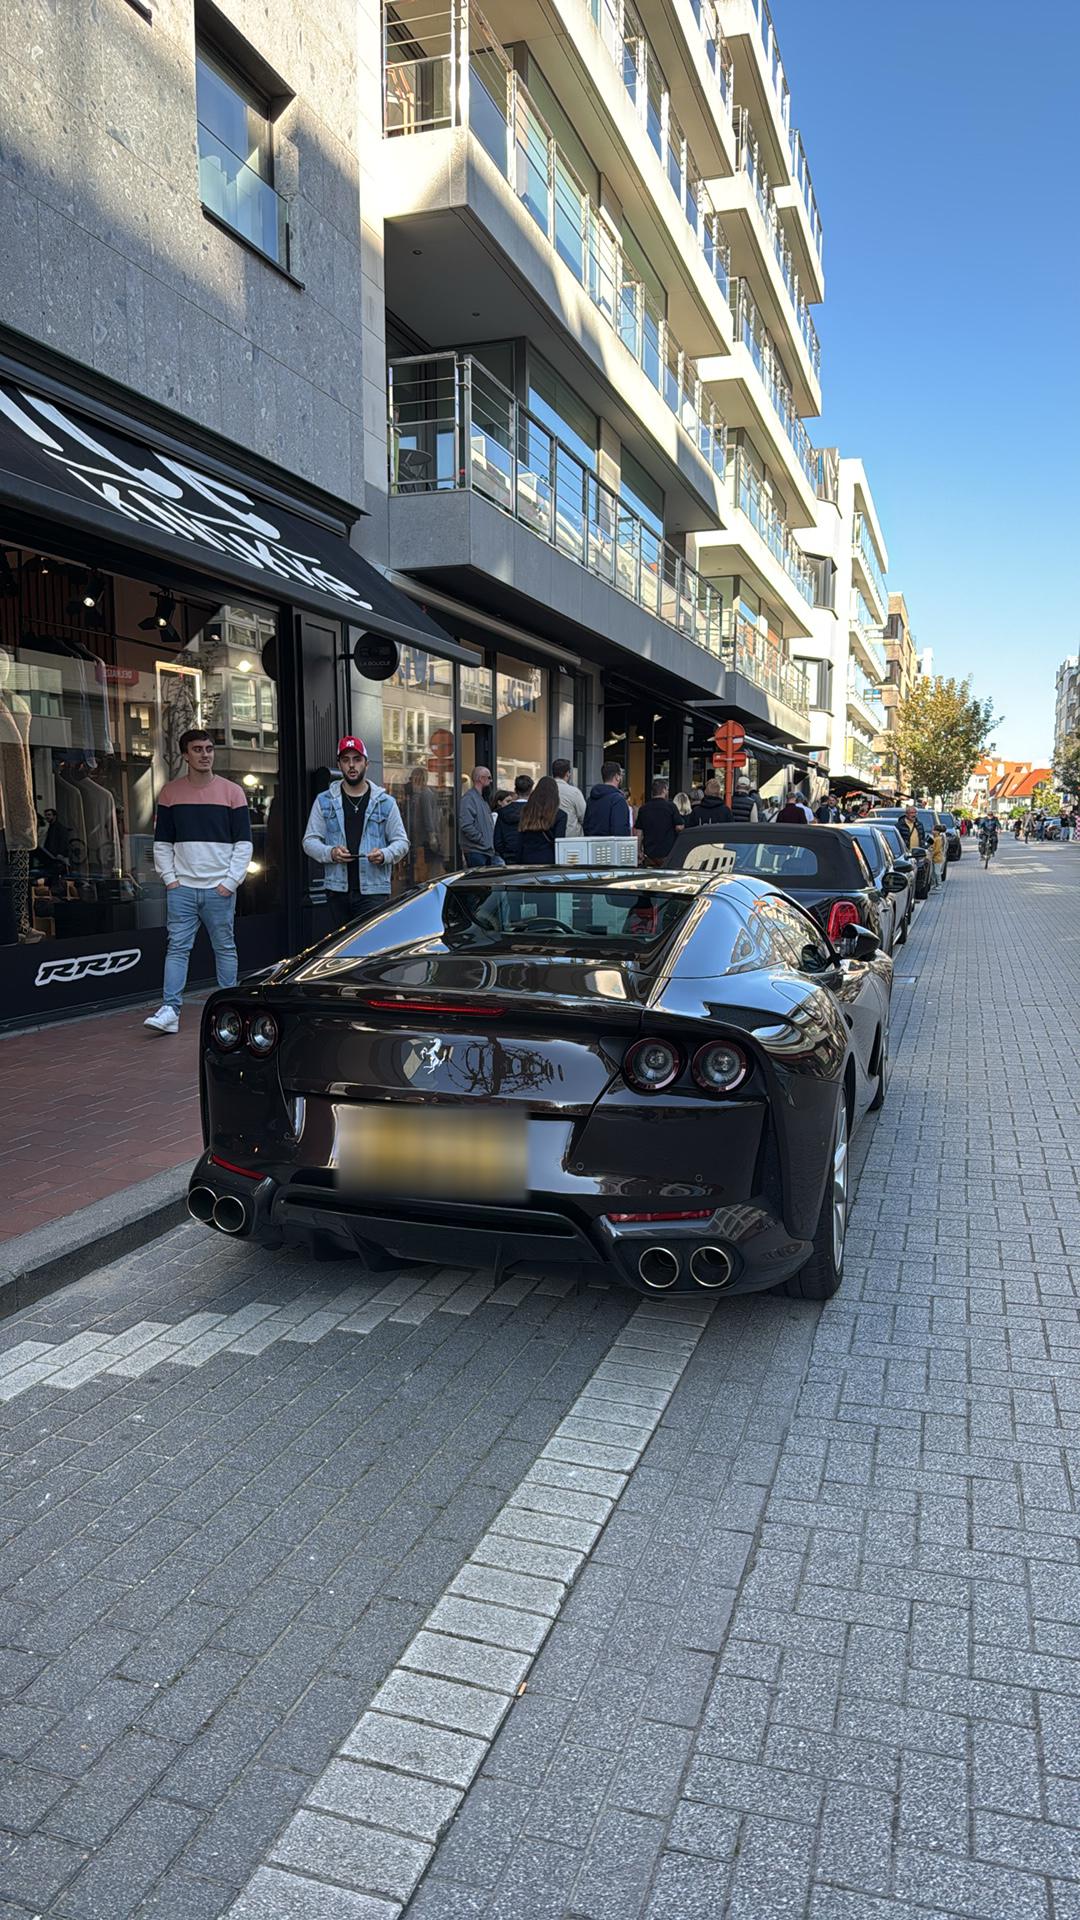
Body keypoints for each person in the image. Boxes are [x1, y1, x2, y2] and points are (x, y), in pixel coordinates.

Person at [144, 727, 252, 1034]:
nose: (205, 755)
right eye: (198, 750)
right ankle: (170, 1011)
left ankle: (229, 1010)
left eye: (209, 749)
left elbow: (244, 843)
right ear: (185, 755)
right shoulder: (170, 793)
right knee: (177, 948)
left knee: (225, 948)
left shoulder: (233, 792)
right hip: (183, 888)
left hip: (219, 887)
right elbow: (162, 842)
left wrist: (230, 882)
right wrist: (170, 880)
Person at [302, 736, 409, 926]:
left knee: (370, 948)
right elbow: (309, 841)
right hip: (337, 890)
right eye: (346, 760)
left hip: (373, 891)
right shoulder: (324, 801)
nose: (352, 765)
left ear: (366, 764)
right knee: (341, 950)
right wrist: (331, 853)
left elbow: (402, 842)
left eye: (357, 759)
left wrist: (384, 854)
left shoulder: (385, 803)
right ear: (339, 764)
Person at [515, 775, 567, 864]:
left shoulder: (527, 811)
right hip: (549, 859)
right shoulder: (560, 815)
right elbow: (558, 843)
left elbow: (520, 839)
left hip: (527, 857)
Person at [635, 777, 684, 867]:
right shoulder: (671, 806)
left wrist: (638, 851)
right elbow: (679, 827)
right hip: (668, 853)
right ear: (664, 790)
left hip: (649, 854)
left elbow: (639, 833)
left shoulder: (643, 809)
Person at [459, 766, 499, 867]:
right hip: (476, 851)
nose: (491, 781)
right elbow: (466, 826)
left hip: (484, 850)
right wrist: (483, 840)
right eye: (489, 778)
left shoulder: (482, 799)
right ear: (481, 779)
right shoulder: (469, 799)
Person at [493, 773, 534, 862]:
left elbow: (498, 841)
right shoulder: (535, 812)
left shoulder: (502, 812)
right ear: (531, 791)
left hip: (509, 856)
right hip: (531, 856)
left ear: (515, 790)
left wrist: (505, 854)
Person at [583, 761, 632, 835]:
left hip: (593, 844)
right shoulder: (618, 800)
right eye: (621, 775)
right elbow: (619, 830)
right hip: (610, 845)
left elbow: (586, 826)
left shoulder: (591, 799)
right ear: (617, 777)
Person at [551, 758, 586, 837]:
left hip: (549, 838)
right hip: (570, 838)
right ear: (567, 774)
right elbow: (584, 816)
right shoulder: (574, 792)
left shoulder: (543, 791)